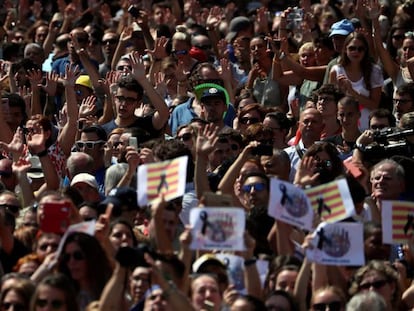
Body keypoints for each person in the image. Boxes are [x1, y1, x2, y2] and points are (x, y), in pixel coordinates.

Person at [329, 32, 383, 130]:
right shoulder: (336, 71)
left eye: (360, 49)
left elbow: (374, 105)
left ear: (365, 50)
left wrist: (352, 92)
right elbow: (332, 106)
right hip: (343, 128)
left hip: (367, 128)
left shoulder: (374, 71)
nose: (356, 52)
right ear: (345, 49)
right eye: (352, 48)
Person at [58, 232, 112, 310]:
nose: (72, 261)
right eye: (67, 257)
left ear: (91, 257)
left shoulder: (110, 291)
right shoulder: (62, 295)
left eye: (78, 256)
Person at [284, 108, 325, 182]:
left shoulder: (330, 153)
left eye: (314, 122)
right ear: (298, 125)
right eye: (306, 121)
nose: (309, 125)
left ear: (322, 127)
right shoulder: (286, 155)